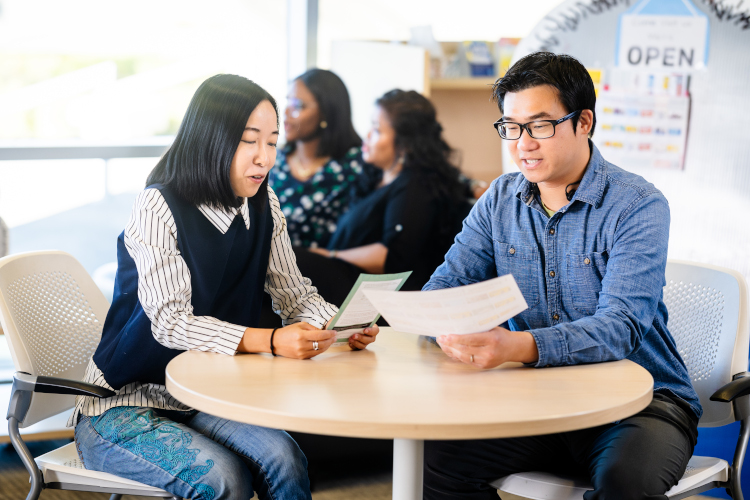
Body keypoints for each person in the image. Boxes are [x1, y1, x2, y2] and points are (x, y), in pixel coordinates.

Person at [68, 74, 379, 500]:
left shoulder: (263, 202)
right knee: (224, 480)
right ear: (211, 139)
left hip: (207, 395)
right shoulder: (158, 205)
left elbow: (295, 295)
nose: (265, 158)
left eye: (272, 142)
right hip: (128, 403)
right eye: (250, 141)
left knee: (285, 460)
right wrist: (270, 340)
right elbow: (170, 323)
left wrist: (340, 324)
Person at [422, 52, 701, 499]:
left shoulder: (637, 205)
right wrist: (442, 324)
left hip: (639, 405)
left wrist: (516, 345)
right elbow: (445, 285)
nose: (523, 143)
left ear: (584, 121)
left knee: (624, 482)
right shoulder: (500, 198)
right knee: (435, 462)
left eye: (540, 125)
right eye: (511, 127)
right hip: (537, 399)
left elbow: (621, 326)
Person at [294, 89, 470, 307]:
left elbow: (392, 256)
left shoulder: (414, 186)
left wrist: (331, 255)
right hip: (352, 282)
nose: (367, 135)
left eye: (377, 130)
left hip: (378, 297)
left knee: (292, 259)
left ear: (405, 143)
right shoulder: (375, 176)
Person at [269, 68, 366, 249]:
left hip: (328, 272)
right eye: (287, 102)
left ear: (326, 113)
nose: (286, 113)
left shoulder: (355, 166)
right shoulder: (274, 160)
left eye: (298, 105)